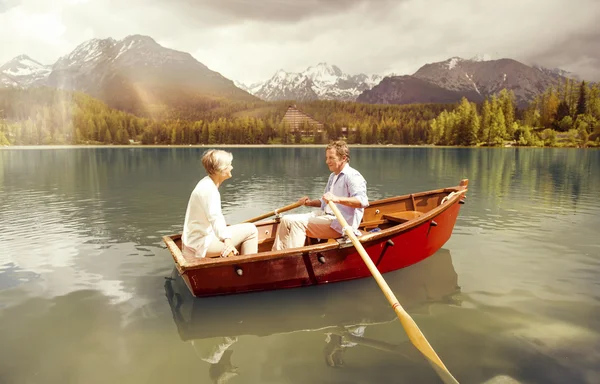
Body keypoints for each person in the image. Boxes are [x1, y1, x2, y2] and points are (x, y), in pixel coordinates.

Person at [272, 140, 368, 251]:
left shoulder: (353, 176)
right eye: (327, 158)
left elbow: (362, 201)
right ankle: (275, 256)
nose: (327, 161)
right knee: (286, 219)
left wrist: (337, 199)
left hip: (340, 224)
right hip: (325, 215)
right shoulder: (333, 176)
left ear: (344, 158)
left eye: (331, 158)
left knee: (297, 224)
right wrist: (309, 202)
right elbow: (324, 203)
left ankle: (292, 260)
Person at [182, 149, 258, 258]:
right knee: (251, 230)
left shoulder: (206, 183)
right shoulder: (209, 190)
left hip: (193, 241)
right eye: (229, 165)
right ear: (220, 170)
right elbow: (215, 217)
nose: (232, 167)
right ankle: (249, 268)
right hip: (200, 245)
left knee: (234, 229)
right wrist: (227, 241)